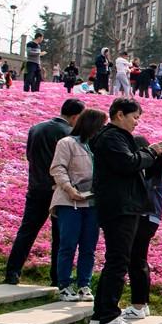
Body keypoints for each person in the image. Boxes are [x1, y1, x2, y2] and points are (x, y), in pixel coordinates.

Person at [88, 98, 162, 324]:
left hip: (122, 206)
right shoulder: (111, 137)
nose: (136, 123)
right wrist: (150, 151)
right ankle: (109, 317)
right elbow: (128, 163)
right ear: (120, 114)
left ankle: (100, 315)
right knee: (118, 261)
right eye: (134, 117)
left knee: (116, 260)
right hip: (120, 207)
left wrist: (152, 155)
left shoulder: (116, 137)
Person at [4, 98, 84, 286]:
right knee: (60, 236)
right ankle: (57, 277)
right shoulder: (70, 134)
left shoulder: (36, 128)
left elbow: (29, 156)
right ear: (75, 117)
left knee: (27, 230)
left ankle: (12, 272)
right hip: (58, 191)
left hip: (36, 187)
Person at [49, 108, 106, 301]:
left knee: (88, 247)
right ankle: (64, 285)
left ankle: (84, 285)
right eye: (101, 125)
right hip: (69, 201)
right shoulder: (67, 143)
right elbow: (58, 168)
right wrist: (68, 188)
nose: (102, 129)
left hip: (92, 202)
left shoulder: (97, 146)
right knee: (68, 245)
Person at [120, 134, 162, 321]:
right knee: (138, 259)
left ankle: (138, 305)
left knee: (136, 259)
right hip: (152, 217)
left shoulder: (151, 166)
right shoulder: (158, 165)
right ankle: (142, 304)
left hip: (145, 215)